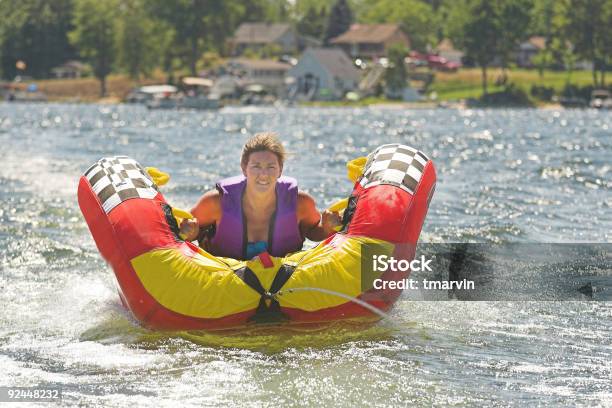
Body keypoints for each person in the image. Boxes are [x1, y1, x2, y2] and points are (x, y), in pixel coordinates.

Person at [180, 132, 341, 260]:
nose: (263, 174)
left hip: (285, 284)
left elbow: (313, 232)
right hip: (223, 282)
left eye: (271, 166)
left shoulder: (300, 203)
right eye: (256, 166)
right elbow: (182, 231)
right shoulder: (215, 203)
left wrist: (327, 228)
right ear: (244, 168)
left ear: (280, 170)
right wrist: (190, 234)